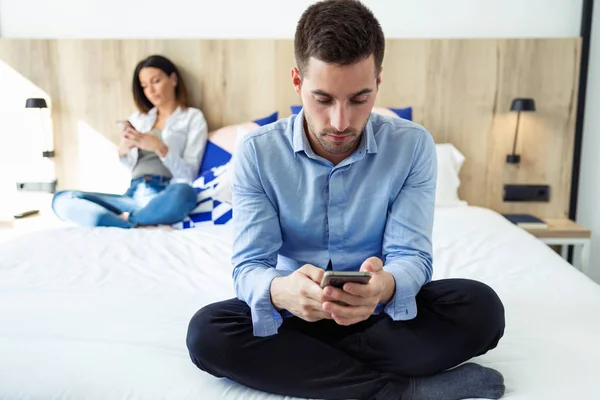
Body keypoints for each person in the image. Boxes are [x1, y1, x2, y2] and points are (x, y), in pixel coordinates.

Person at [186, 1, 506, 399]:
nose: (340, 122)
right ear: (297, 82)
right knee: (208, 333)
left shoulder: (412, 145)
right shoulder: (256, 151)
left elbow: (411, 256)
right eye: (323, 99)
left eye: (359, 99)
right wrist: (280, 290)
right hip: (293, 314)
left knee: (482, 308)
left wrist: (386, 286)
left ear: (378, 82)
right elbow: (250, 266)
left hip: (379, 316)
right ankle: (402, 391)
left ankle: (310, 366)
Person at [52, 55, 207, 229]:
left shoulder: (192, 117)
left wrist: (160, 148)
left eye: (156, 81)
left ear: (173, 79)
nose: (150, 91)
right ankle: (136, 222)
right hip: (131, 196)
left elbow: (189, 173)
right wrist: (123, 151)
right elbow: (130, 166)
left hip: (164, 194)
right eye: (144, 86)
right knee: (61, 199)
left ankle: (126, 221)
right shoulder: (139, 119)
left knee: (185, 194)